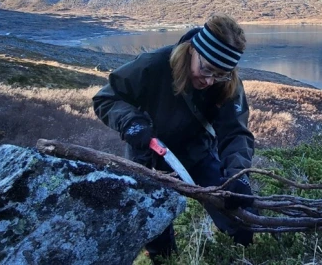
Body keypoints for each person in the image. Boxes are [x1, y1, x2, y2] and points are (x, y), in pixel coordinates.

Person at [92, 13, 255, 260]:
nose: (210, 80)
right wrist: (132, 123)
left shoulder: (227, 81)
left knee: (238, 216)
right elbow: (106, 98)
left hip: (198, 154)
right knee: (157, 232)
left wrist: (238, 174)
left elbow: (235, 132)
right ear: (192, 51)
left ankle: (249, 255)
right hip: (149, 158)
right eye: (207, 69)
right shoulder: (153, 65)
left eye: (220, 74)